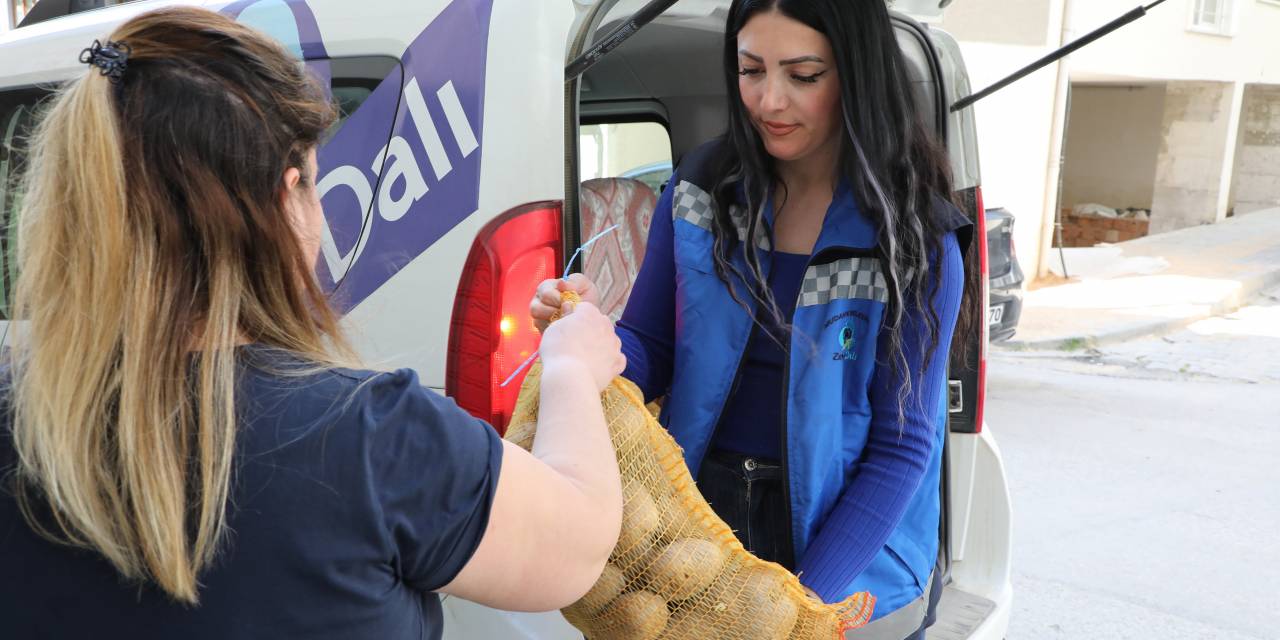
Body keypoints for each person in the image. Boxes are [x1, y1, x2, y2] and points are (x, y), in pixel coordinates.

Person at [0, 8, 625, 639]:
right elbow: (578, 545)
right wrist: (571, 367)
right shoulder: (364, 434)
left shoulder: (14, 421)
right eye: (317, 188)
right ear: (286, 194)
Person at [532, 1, 975, 637]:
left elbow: (902, 450)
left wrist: (797, 610)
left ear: (857, 74)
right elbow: (652, 347)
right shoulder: (702, 190)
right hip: (699, 525)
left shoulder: (916, 240)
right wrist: (585, 337)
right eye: (750, 70)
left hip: (849, 549)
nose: (769, 101)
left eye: (803, 75)